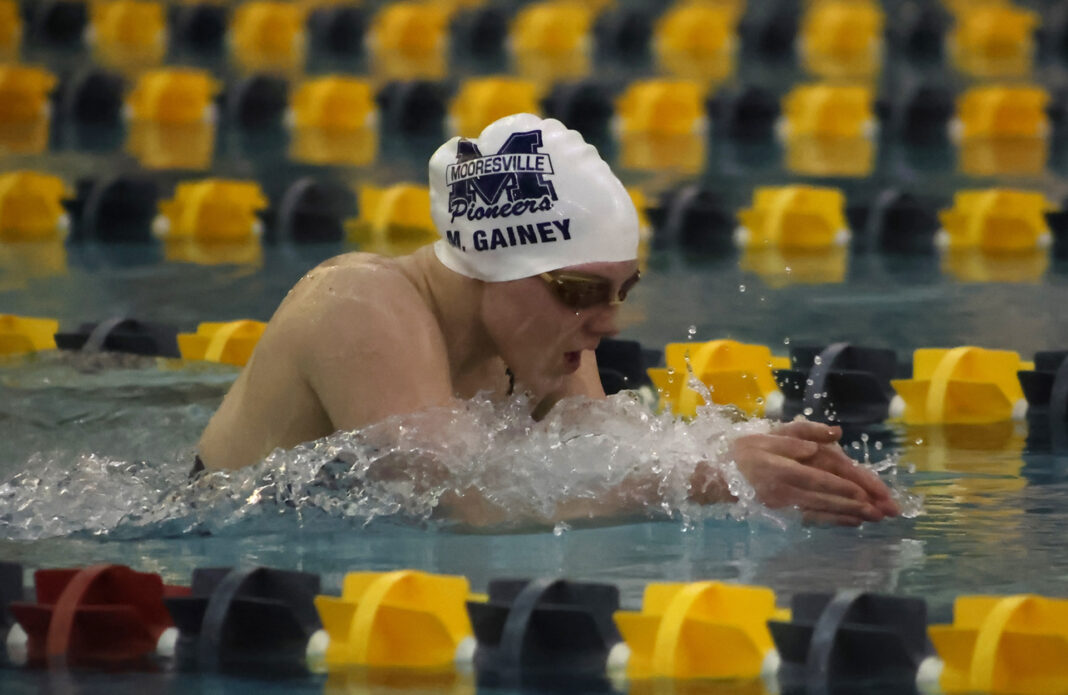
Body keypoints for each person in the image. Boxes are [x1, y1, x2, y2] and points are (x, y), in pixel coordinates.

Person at [196, 113, 900, 527]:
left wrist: (756, 460)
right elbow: (464, 503)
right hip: (220, 540)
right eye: (581, 291)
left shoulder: (540, 331)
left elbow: (599, 453)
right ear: (495, 262)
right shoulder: (357, 305)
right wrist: (701, 480)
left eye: (623, 290)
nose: (610, 323)